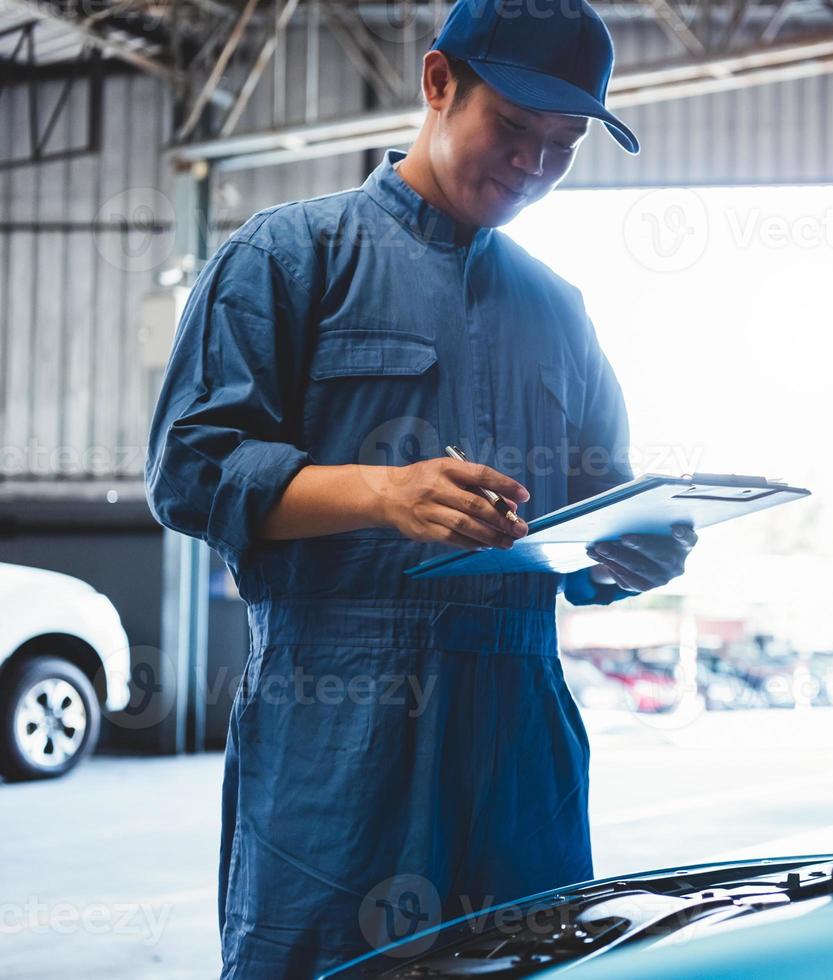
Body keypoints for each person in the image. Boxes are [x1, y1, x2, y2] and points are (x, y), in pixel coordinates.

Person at [144, 1, 695, 975]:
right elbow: (189, 471)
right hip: (341, 723)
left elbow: (585, 528)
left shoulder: (559, 312)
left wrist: (631, 552)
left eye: (563, 146)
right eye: (515, 129)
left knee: (537, 959)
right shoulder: (286, 259)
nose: (533, 166)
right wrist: (379, 493)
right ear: (439, 82)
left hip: (524, 733)